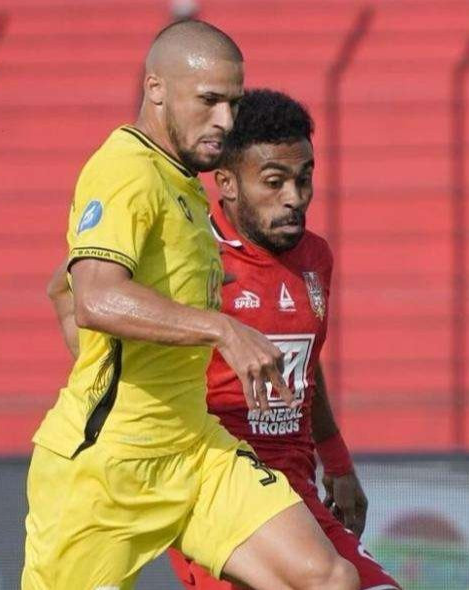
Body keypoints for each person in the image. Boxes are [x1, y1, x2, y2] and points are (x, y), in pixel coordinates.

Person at [24, 20, 359, 590]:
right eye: (209, 101)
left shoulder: (180, 179)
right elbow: (94, 295)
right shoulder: (124, 169)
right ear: (156, 89)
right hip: (109, 468)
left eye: (232, 103)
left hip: (194, 449)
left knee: (325, 579)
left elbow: (63, 286)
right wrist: (223, 330)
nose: (225, 122)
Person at [164, 89, 402, 590]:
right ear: (226, 184)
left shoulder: (315, 257)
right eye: (274, 182)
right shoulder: (190, 259)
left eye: (304, 178)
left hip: (296, 489)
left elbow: (304, 364)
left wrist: (337, 462)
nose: (294, 197)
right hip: (218, 494)